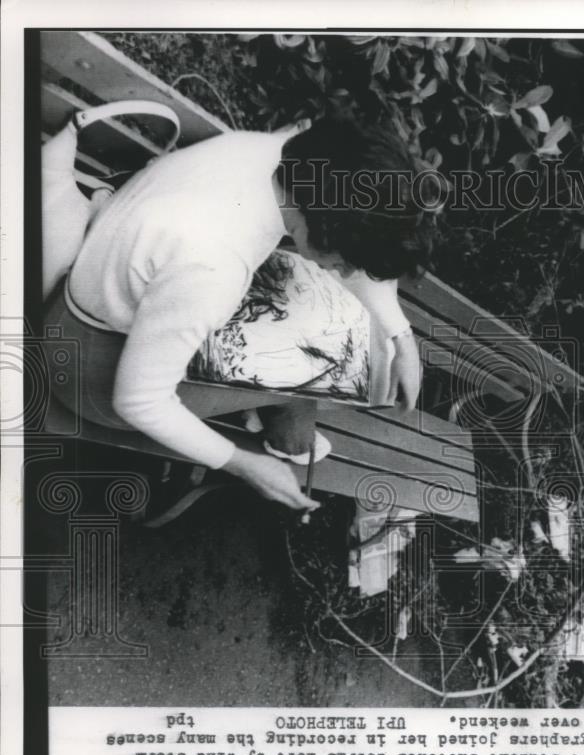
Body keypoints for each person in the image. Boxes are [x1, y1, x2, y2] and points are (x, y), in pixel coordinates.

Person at [44, 115, 435, 510]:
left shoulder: (272, 153)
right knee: (311, 370)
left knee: (317, 332)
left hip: (118, 296)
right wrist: (242, 463)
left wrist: (401, 337)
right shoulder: (214, 263)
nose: (349, 272)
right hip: (86, 371)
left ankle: (283, 424)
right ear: (327, 227)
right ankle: (286, 436)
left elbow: (339, 244)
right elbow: (140, 401)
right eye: (348, 259)